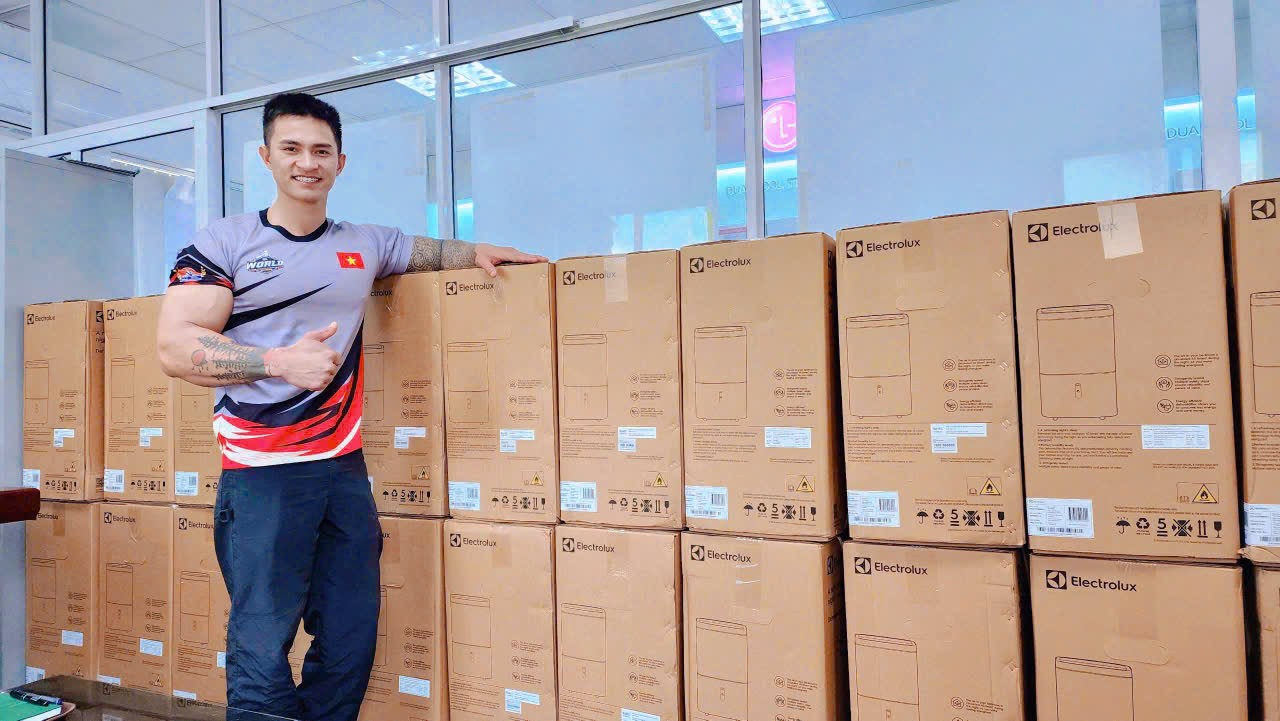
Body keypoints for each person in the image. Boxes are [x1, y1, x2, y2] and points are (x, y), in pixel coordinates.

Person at [156, 92, 545, 720]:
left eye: (321, 151)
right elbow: (175, 347)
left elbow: (424, 251)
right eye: (291, 148)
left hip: (342, 469)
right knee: (262, 643)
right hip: (261, 474)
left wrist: (478, 252)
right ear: (266, 157)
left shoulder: (363, 244)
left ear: (340, 162)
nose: (307, 162)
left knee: (349, 637)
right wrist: (276, 362)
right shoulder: (224, 242)